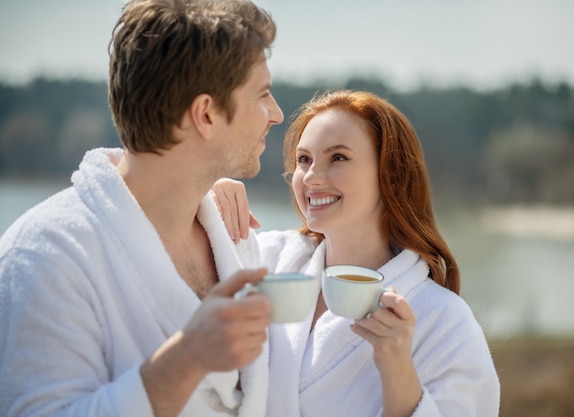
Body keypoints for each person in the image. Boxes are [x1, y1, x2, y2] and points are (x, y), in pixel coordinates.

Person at [0, 1, 285, 416]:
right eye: (262, 94)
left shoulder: (235, 238)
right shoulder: (46, 255)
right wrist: (187, 358)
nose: (276, 114)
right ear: (206, 114)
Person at [212, 89, 500, 416]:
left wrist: (396, 367)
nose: (311, 177)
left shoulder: (444, 321)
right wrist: (206, 199)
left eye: (338, 157)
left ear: (388, 174)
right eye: (304, 159)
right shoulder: (269, 260)